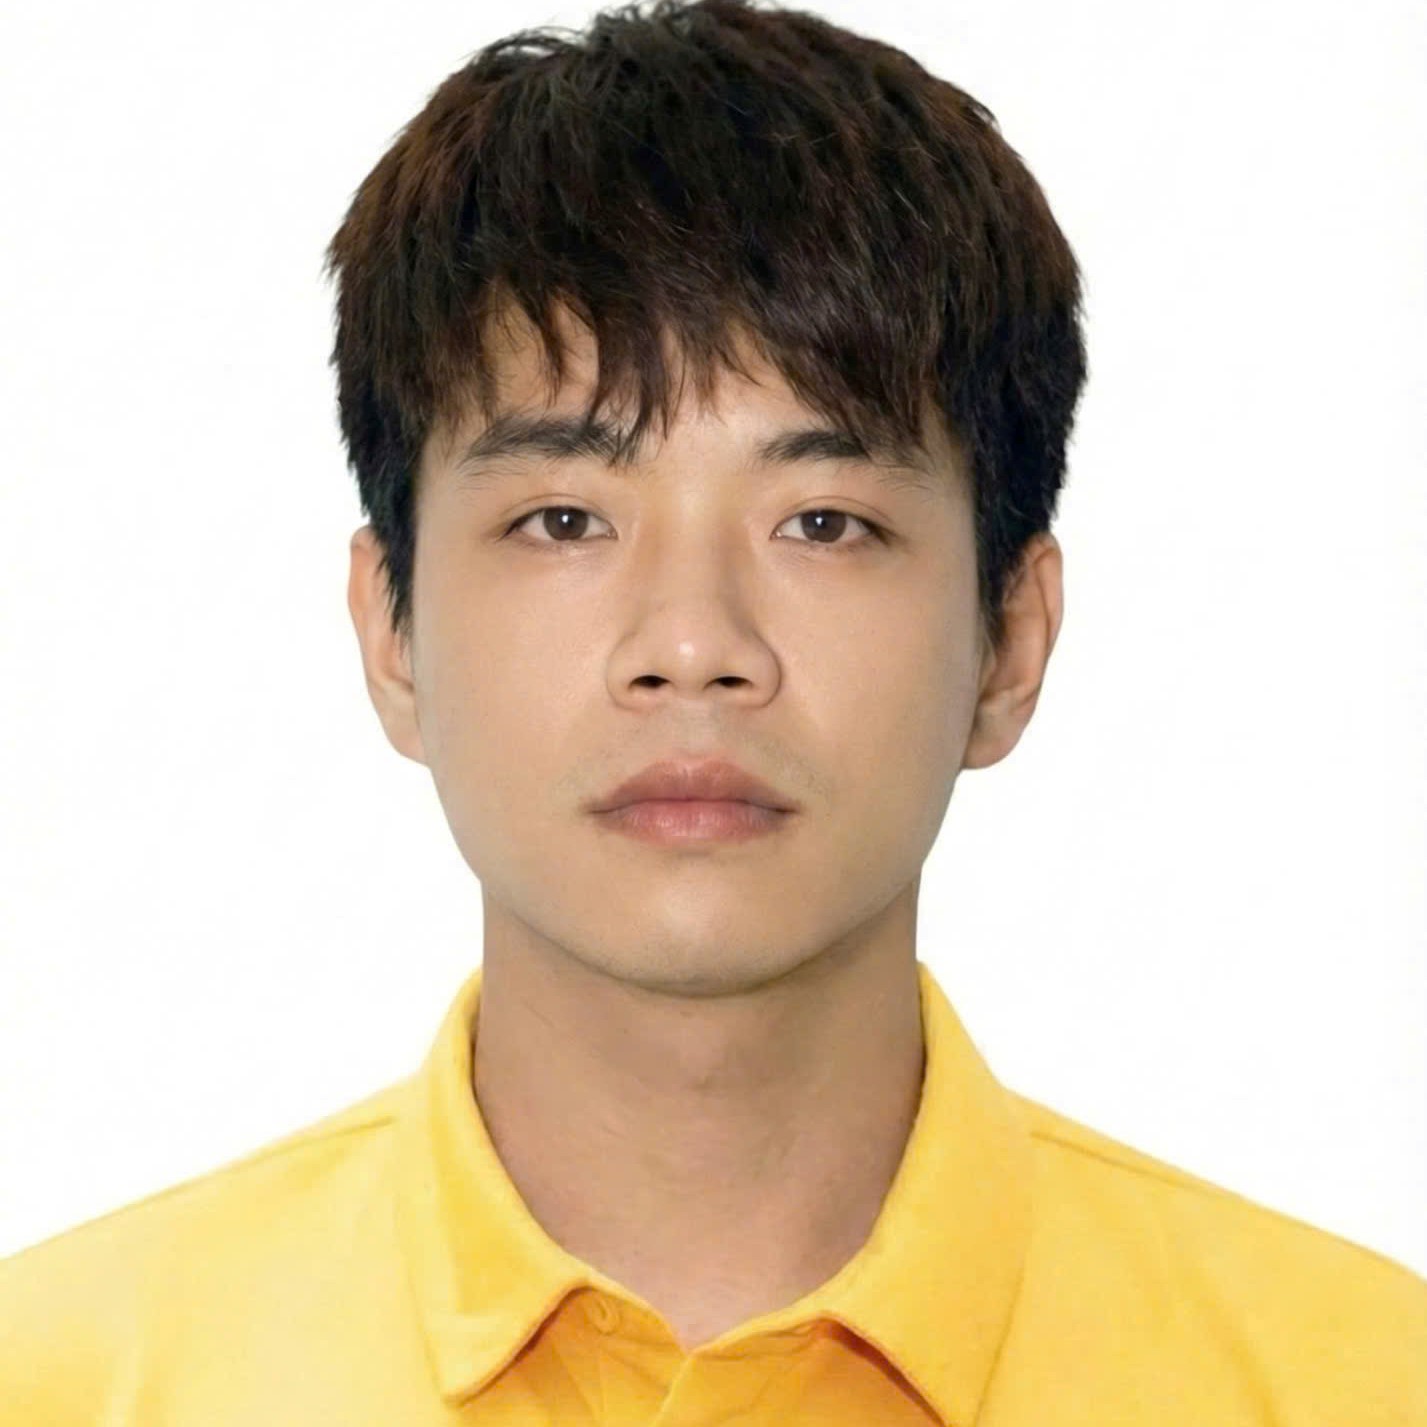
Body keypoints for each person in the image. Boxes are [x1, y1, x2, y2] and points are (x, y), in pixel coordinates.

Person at [3, 0, 1423, 1421]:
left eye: (824, 521)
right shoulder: (65, 1377)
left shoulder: (1362, 1378)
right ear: (392, 632)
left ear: (1009, 640)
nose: (691, 646)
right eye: (565, 519)